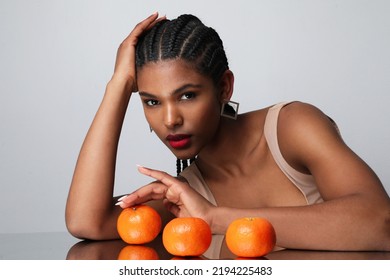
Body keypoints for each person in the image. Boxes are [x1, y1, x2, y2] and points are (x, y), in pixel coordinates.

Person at [65, 12, 390, 251]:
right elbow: (86, 222)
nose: (169, 120)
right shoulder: (186, 195)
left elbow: (381, 220)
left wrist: (215, 218)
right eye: (151, 102)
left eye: (187, 95)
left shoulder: (291, 126)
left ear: (224, 87)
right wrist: (118, 87)